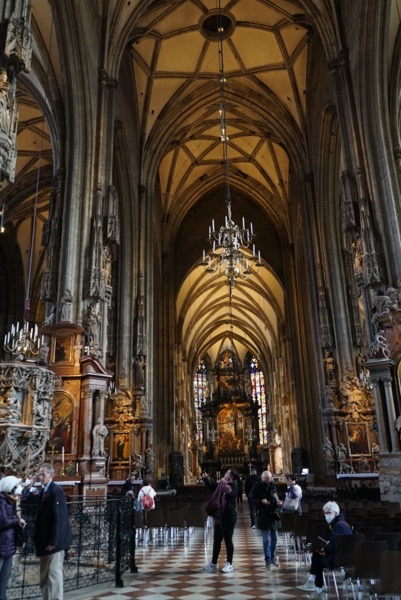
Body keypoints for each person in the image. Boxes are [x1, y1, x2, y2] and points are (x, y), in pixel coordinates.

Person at [32, 463, 73, 600]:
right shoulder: (44, 490)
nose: (40, 476)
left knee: (54, 574)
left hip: (53, 542)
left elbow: (60, 517)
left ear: (51, 475)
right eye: (39, 474)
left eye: (43, 474)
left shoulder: (56, 491)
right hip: (44, 540)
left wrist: (54, 541)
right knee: (44, 575)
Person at [297, 500, 353, 598]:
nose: (326, 515)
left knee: (317, 555)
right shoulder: (342, 523)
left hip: (339, 559)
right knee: (318, 553)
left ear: (336, 513)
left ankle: (315, 585)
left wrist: (326, 551)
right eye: (325, 513)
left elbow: (336, 544)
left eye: (328, 513)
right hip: (346, 556)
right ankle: (312, 580)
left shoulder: (338, 526)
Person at [202, 468, 240, 573]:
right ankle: (213, 563)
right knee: (217, 541)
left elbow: (230, 494)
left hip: (229, 516)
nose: (225, 474)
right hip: (219, 516)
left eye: (227, 473)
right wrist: (206, 479)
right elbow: (212, 486)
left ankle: (229, 564)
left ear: (231, 477)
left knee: (228, 540)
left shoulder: (234, 486)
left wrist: (223, 484)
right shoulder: (221, 484)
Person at [0, 476, 26, 600]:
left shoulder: (9, 501)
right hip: (2, 545)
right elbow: (3, 521)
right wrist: (17, 520)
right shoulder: (1, 500)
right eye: (14, 487)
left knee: (4, 578)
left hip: (8, 545)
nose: (17, 491)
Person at [252, 470, 281, 569]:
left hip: (273, 514)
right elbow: (252, 499)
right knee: (265, 540)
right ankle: (267, 560)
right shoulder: (257, 486)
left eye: (269, 480)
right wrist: (261, 501)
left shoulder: (273, 484)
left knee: (275, 539)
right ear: (262, 479)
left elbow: (275, 494)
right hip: (263, 515)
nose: (268, 482)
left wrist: (278, 502)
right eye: (266, 481)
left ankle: (273, 557)